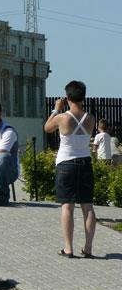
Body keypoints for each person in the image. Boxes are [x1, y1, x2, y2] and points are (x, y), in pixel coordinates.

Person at [44, 80, 96, 258]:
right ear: (83, 96)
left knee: (67, 206)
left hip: (66, 163)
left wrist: (56, 109)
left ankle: (68, 248)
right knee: (87, 206)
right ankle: (88, 248)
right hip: (85, 163)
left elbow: (47, 128)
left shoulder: (62, 117)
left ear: (67, 97)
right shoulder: (90, 118)